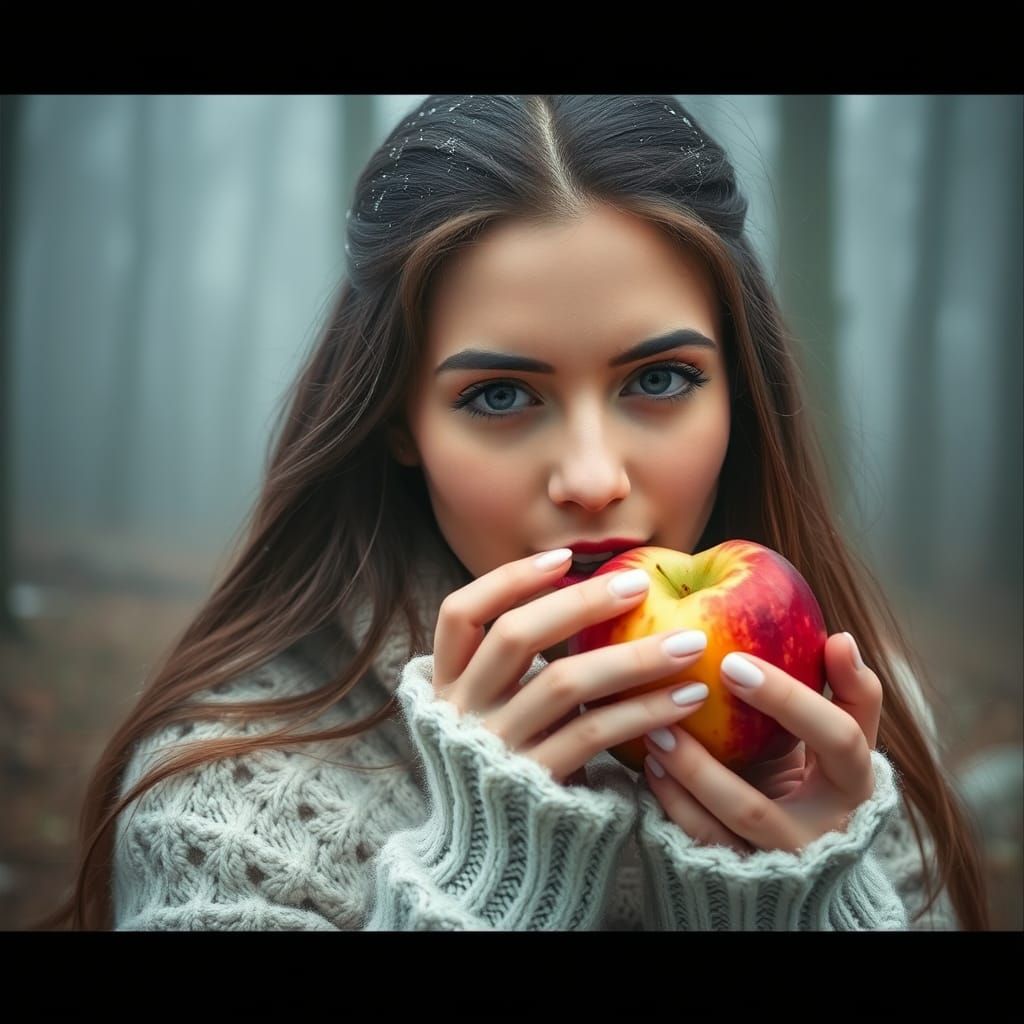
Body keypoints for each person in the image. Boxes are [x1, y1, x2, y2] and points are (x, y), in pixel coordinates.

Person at [36, 94, 989, 931]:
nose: (590, 477)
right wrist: (488, 892)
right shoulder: (226, 792)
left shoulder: (858, 738)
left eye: (659, 379)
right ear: (398, 421)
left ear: (739, 392)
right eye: (500, 395)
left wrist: (803, 907)